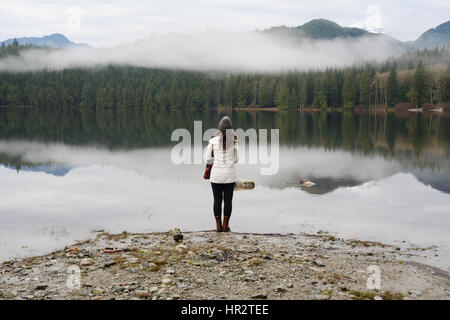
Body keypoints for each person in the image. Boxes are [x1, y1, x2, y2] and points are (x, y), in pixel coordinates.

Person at [205, 116, 239, 232]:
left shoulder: (212, 142)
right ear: (230, 129)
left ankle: (218, 226)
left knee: (217, 200)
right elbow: (236, 160)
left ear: (219, 129)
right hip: (229, 175)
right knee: (228, 201)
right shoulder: (234, 142)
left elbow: (208, 159)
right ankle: (225, 226)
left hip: (216, 176)